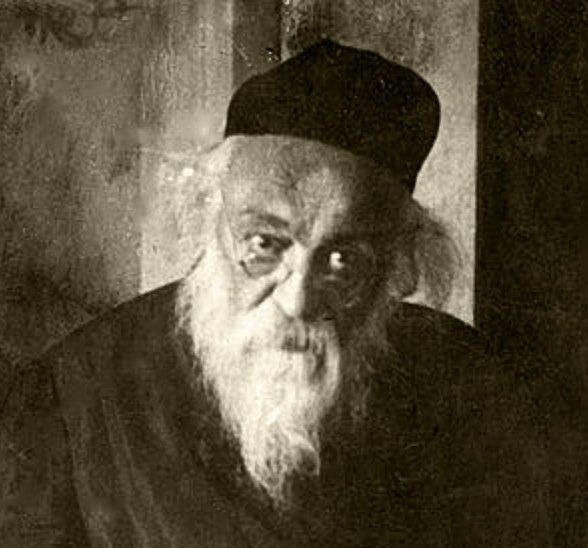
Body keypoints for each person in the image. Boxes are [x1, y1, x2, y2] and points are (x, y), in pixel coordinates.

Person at [0, 40, 552, 547]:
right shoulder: (76, 394)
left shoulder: (469, 387)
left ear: (399, 267)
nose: (298, 301)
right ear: (210, 222)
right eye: (264, 243)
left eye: (343, 260)